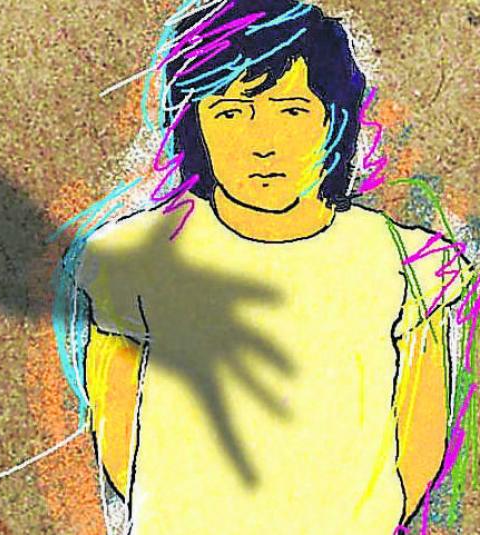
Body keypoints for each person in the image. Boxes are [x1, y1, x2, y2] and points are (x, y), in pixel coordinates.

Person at [64, 1, 475, 533]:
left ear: (333, 120)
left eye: (292, 111)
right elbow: (119, 435)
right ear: (194, 126)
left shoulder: (409, 265)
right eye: (231, 113)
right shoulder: (130, 260)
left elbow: (420, 442)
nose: (263, 145)